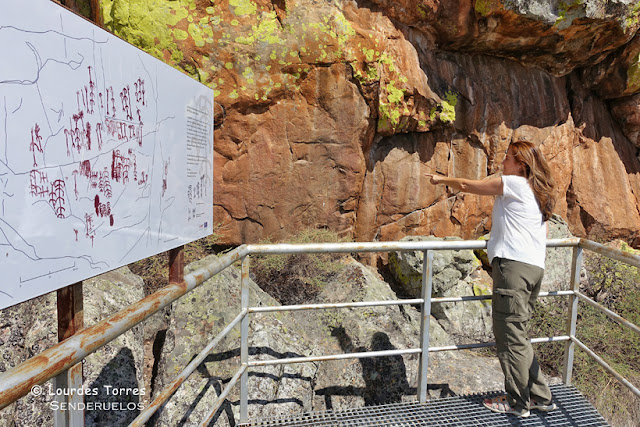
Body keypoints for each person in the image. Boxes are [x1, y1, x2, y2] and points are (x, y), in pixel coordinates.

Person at [426, 140, 558, 418]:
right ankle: (541, 397)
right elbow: (543, 234)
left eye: (508, 158)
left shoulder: (516, 184)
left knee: (509, 337)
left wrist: (440, 179)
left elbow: (466, 186)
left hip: (514, 268)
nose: (502, 162)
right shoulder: (537, 192)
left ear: (521, 165)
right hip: (533, 268)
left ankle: (517, 403)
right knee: (518, 335)